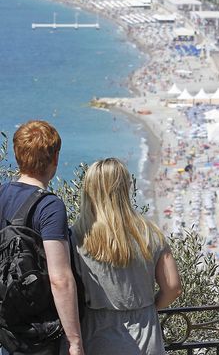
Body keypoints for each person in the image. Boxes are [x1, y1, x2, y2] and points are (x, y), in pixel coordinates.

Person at [71, 158, 182, 355]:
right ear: (126, 188)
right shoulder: (150, 233)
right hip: (146, 336)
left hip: (97, 336)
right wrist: (149, 308)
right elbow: (173, 287)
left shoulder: (77, 237)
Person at [0, 120, 84, 355]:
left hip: (9, 326)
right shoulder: (49, 206)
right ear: (55, 159)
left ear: (17, 156)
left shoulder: (1, 193)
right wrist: (75, 341)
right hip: (41, 329)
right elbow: (60, 279)